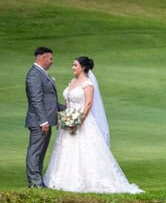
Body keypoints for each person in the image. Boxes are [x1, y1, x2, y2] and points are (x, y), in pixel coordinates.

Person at [43, 56, 143, 193]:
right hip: (69, 119)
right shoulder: (72, 82)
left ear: (83, 67)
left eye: (75, 65)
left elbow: (88, 104)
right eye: (72, 65)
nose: (73, 67)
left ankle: (86, 180)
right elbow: (68, 103)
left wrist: (78, 122)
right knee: (65, 148)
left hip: (82, 121)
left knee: (83, 149)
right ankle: (62, 178)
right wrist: (66, 119)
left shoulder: (88, 84)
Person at [25, 46, 64, 188]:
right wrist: (43, 120)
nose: (52, 61)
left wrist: (69, 108)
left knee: (40, 152)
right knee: (35, 151)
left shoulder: (42, 73)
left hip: (45, 121)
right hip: (39, 122)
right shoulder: (34, 74)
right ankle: (34, 183)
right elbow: (36, 99)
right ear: (42, 57)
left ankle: (38, 181)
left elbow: (50, 101)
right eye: (51, 58)